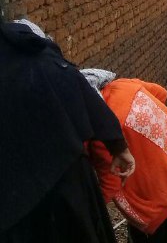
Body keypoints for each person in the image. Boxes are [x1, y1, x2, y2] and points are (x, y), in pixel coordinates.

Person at [0, 19, 135, 243]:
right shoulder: (28, 47)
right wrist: (117, 144)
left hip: (16, 205)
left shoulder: (26, 46)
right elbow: (76, 87)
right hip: (67, 186)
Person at [84, 72, 167, 243]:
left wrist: (88, 213)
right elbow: (161, 93)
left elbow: (111, 183)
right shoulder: (125, 85)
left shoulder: (103, 132)